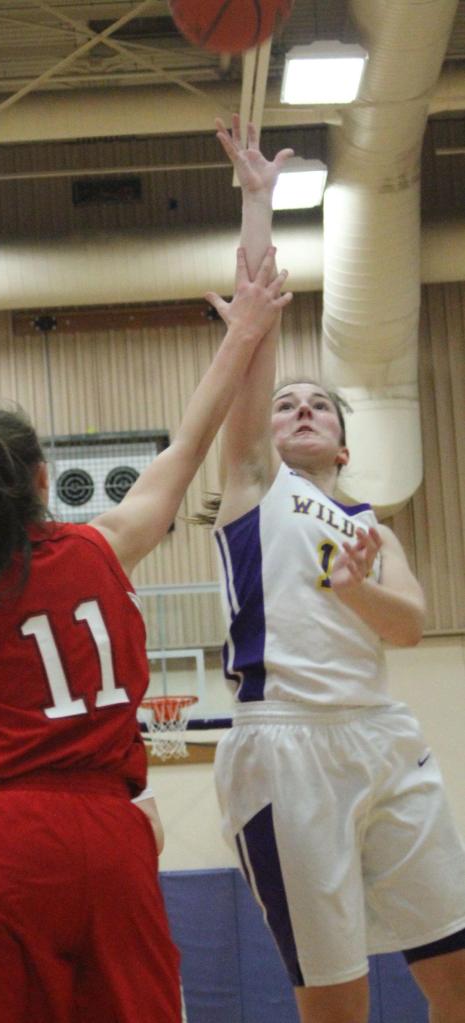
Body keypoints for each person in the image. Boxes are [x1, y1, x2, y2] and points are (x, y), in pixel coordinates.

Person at [0, 247, 292, 1023]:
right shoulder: (103, 542)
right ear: (44, 480)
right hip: (114, 830)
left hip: (0, 837)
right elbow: (186, 449)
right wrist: (242, 334)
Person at [211, 116, 465, 1023]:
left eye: (321, 403)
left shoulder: (370, 526)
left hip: (383, 737)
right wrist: (255, 200)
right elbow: (253, 333)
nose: (303, 406)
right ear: (266, 432)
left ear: (346, 447)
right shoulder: (250, 482)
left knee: (457, 978)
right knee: (339, 1002)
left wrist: (356, 585)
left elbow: (406, 627)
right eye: (287, 402)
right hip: (286, 745)